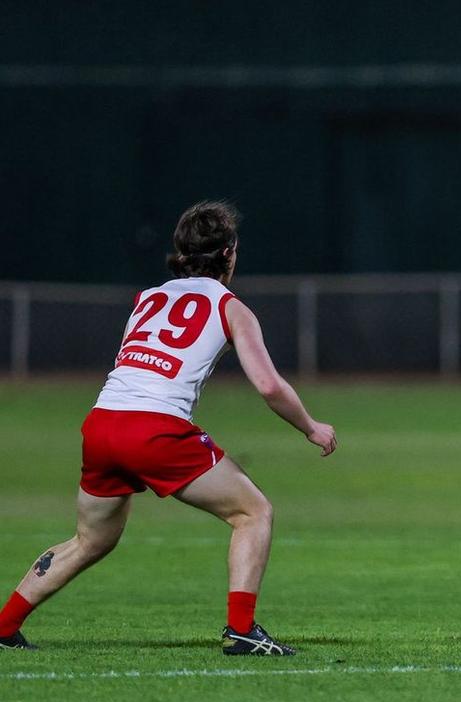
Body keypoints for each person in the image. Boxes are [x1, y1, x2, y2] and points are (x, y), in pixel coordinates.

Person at [0, 201, 336, 655]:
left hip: (102, 424)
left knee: (90, 540)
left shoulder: (148, 297)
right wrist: (311, 427)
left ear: (181, 251)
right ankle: (241, 631)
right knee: (253, 513)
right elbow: (270, 386)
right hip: (155, 431)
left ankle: (4, 626)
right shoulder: (231, 308)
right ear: (230, 253)